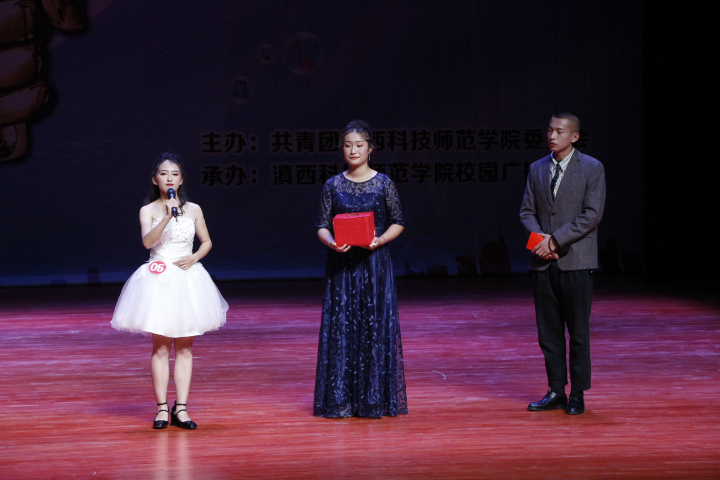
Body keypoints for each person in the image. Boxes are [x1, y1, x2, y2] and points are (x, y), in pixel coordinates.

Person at [111, 152, 228, 429]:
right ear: (155, 179)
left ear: (182, 179)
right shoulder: (148, 210)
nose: (169, 178)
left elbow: (207, 242)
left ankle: (182, 408)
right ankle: (162, 408)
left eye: (175, 174)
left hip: (188, 278)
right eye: (163, 174)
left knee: (185, 347)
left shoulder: (194, 209)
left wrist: (194, 257)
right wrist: (166, 216)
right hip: (159, 280)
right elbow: (147, 242)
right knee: (161, 346)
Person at [313, 119, 408, 418]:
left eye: (359, 145)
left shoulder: (383, 183)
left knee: (373, 326)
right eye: (348, 145)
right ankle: (340, 400)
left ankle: (373, 399)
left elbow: (398, 221)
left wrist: (380, 240)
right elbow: (321, 225)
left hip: (374, 263)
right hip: (342, 265)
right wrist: (331, 242)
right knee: (342, 327)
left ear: (370, 149)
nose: (353, 150)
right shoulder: (333, 184)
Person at [519, 112, 606, 415]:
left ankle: (578, 393)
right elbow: (526, 211)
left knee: (578, 331)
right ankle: (556, 389)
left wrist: (555, 240)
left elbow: (592, 214)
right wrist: (540, 242)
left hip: (576, 260)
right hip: (542, 261)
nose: (552, 136)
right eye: (550, 130)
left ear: (574, 136)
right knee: (549, 331)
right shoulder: (537, 168)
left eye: (559, 131)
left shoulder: (592, 168)